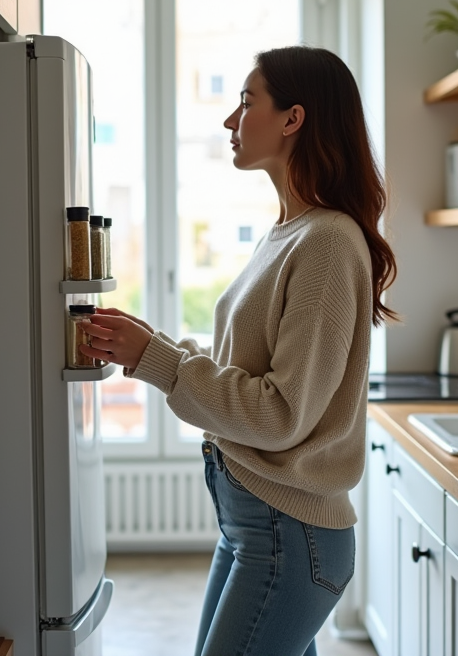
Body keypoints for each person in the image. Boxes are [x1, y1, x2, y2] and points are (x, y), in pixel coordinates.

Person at [77, 45, 397, 656]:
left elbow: (280, 413)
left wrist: (159, 360)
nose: (231, 121)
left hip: (287, 532)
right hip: (259, 525)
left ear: (293, 118)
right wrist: (151, 346)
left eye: (247, 102)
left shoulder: (327, 241)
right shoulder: (291, 232)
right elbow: (249, 369)